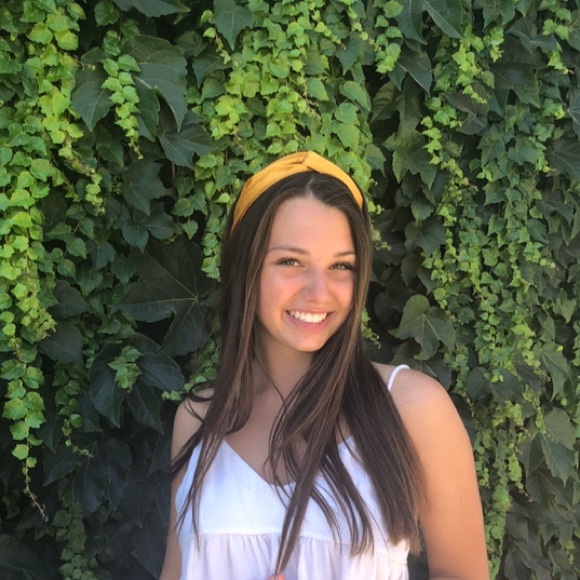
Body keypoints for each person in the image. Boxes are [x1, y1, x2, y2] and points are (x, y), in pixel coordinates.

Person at [160, 151, 489, 579]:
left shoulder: (413, 408)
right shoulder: (200, 419)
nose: (319, 292)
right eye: (290, 261)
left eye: (341, 266)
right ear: (244, 268)